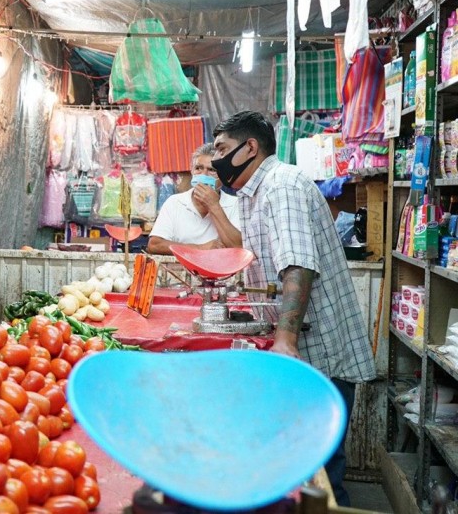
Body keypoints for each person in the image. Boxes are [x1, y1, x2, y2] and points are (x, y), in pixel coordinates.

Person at [210, 110, 376, 507]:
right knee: (304, 464)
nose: (216, 160)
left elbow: (298, 264)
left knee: (318, 472)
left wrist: (283, 339)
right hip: (304, 351)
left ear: (250, 147)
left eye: (221, 149)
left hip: (319, 354)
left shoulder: (282, 185)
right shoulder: (255, 192)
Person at [147, 143, 241, 255]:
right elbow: (154, 245)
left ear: (224, 175)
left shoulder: (235, 204)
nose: (204, 175)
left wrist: (214, 205)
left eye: (212, 170)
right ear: (191, 171)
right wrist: (200, 248)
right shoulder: (175, 202)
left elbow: (239, 248)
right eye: (198, 168)